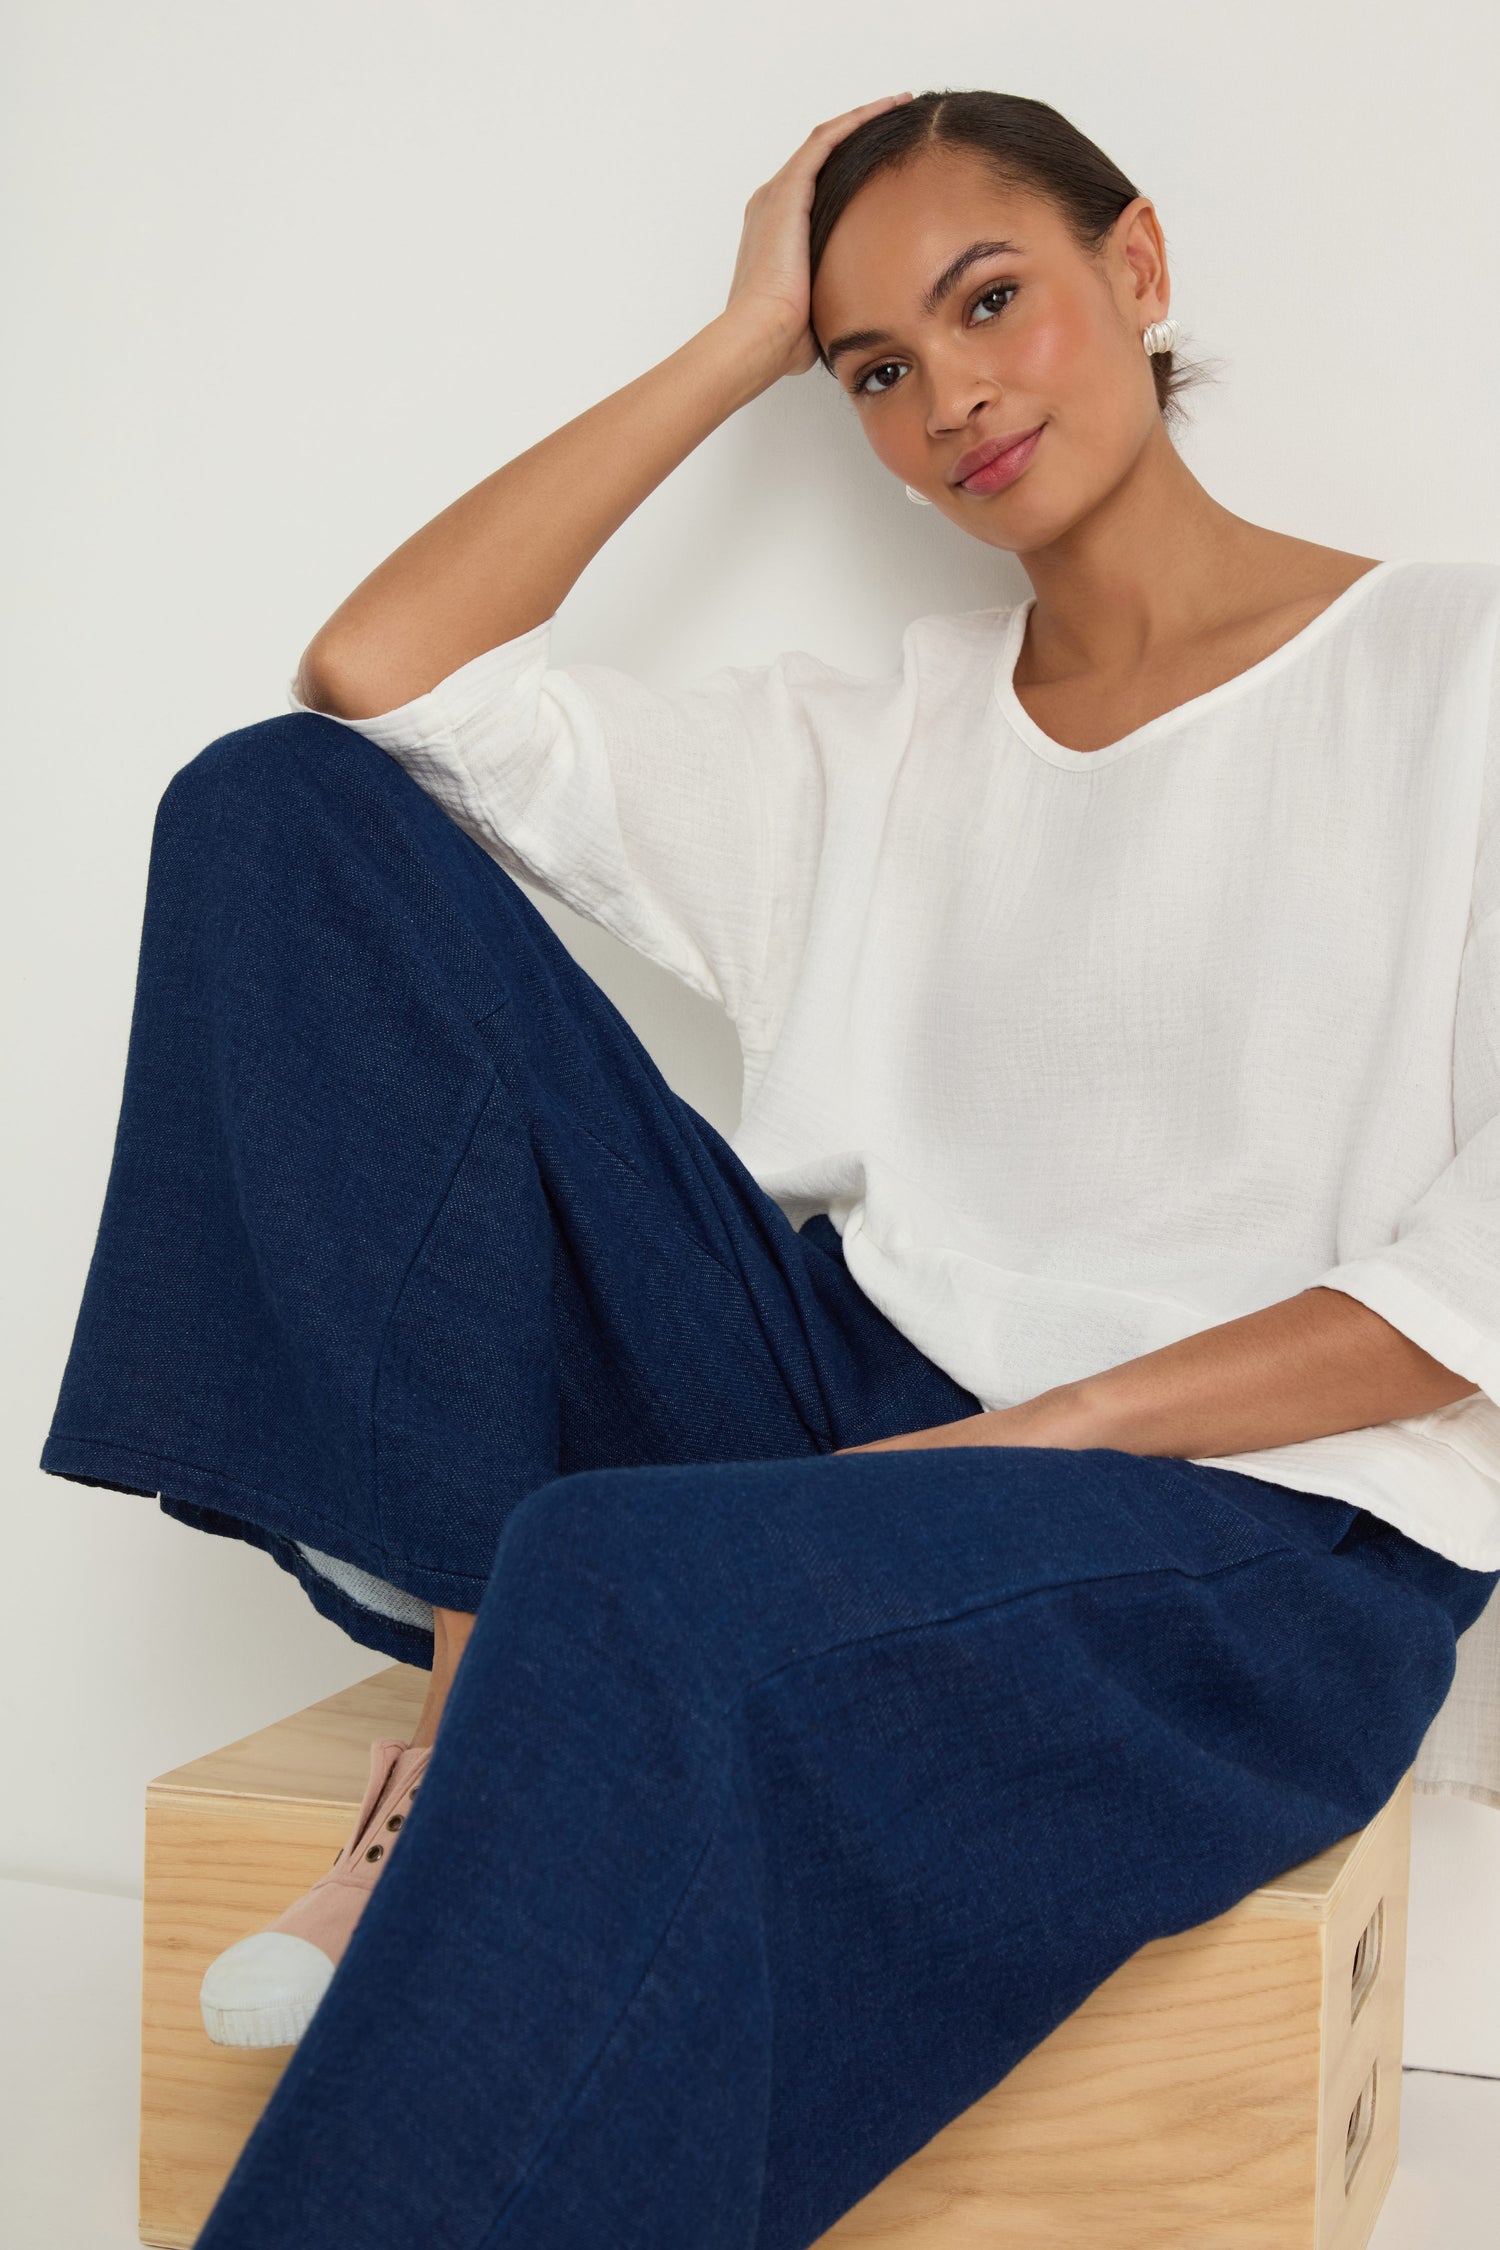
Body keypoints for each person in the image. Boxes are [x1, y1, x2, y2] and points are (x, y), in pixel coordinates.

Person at [43, 87, 1500, 2249]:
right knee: (280, 812)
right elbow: (379, 679)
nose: (951, 398)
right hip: (849, 1398)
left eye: (988, 300)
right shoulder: (879, 737)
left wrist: (1047, 1433)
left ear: (1143, 263)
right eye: (879, 373)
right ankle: (474, 1675)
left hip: (1245, 1533)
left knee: (635, 1589)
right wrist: (741, 339)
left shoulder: (1457, 672)